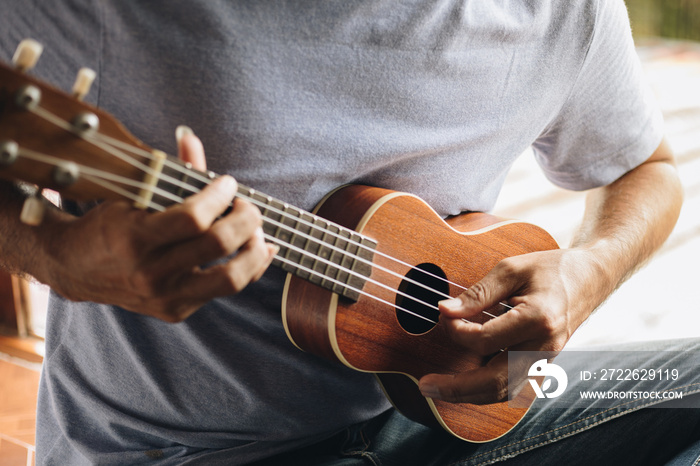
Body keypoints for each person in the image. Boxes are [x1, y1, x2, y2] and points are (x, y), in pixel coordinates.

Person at [0, 1, 697, 464]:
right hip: (182, 451)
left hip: (441, 416)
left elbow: (648, 169)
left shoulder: (559, 11)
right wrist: (57, 255)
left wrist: (588, 273)